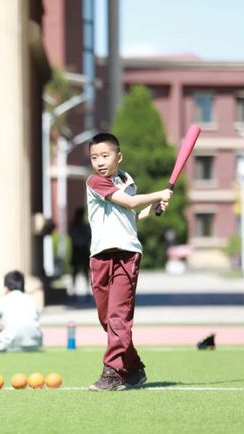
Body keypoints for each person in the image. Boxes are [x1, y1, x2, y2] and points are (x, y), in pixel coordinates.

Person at [85, 133, 172, 391]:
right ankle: (133, 369)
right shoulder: (95, 182)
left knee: (117, 317)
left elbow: (129, 214)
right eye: (94, 157)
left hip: (127, 254)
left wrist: (153, 207)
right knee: (107, 319)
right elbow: (130, 201)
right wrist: (159, 193)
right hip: (100, 255)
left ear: (118, 157)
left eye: (105, 155)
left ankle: (113, 373)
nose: (99, 162)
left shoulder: (127, 180)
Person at [0, 270, 42, 352]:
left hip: (10, 344)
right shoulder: (32, 300)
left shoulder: (2, 301)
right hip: (34, 344)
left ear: (6, 288)